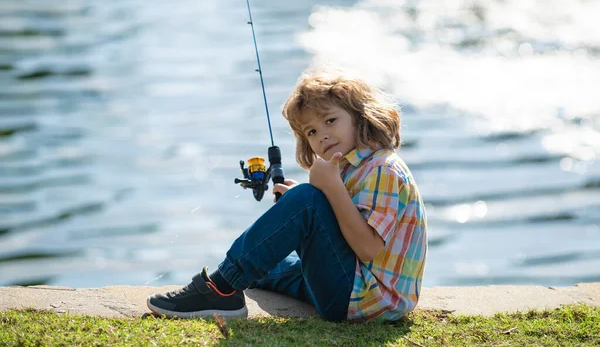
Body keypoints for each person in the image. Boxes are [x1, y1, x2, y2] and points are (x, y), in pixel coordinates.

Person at [147, 67, 427, 322]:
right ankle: (234, 278)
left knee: (307, 200)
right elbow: (343, 229)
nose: (323, 136)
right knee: (265, 261)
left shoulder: (383, 168)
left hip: (368, 299)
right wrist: (320, 202)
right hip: (351, 285)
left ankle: (220, 289)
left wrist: (325, 192)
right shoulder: (349, 168)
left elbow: (368, 248)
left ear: (360, 116)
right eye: (312, 131)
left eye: (331, 120)